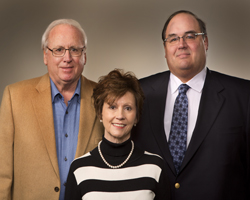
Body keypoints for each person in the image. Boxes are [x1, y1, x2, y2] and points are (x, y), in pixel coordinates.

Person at [132, 10, 250, 200]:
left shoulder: (243, 95)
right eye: (173, 39)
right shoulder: (137, 93)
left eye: (190, 36)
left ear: (206, 42)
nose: (181, 44)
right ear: (165, 48)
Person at [0, 19, 103, 200]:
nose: (67, 58)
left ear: (84, 55)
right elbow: (3, 172)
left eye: (75, 49)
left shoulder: (104, 98)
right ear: (45, 56)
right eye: (58, 50)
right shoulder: (14, 97)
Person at [64, 69, 171, 200]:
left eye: (128, 108)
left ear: (136, 117)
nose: (120, 116)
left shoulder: (155, 167)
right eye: (112, 107)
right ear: (100, 113)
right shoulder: (79, 169)